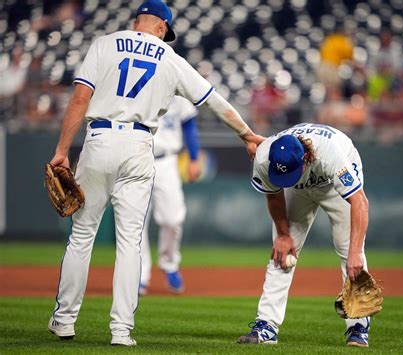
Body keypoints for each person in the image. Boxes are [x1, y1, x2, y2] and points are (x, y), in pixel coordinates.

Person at [47, 0, 263, 347]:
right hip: (139, 146)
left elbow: (78, 99)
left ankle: (64, 320)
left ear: (138, 21)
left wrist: (61, 151)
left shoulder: (104, 44)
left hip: (100, 140)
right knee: (130, 242)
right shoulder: (169, 57)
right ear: (162, 27)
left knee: (82, 236)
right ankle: (120, 330)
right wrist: (246, 134)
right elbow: (214, 100)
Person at [237, 123, 372, 347]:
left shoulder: (331, 155)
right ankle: (267, 326)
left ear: (306, 158)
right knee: (282, 252)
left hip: (332, 184)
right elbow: (273, 195)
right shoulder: (264, 157)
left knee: (348, 249)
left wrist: (356, 251)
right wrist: (283, 234)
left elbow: (360, 201)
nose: (283, 178)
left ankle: (358, 325)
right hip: (299, 190)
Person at [139, 95, 201, 296]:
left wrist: (193, 157)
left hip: (167, 161)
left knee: (172, 219)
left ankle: (170, 263)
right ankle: (138, 276)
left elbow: (189, 125)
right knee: (136, 222)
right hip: (137, 159)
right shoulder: (139, 81)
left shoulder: (178, 90)